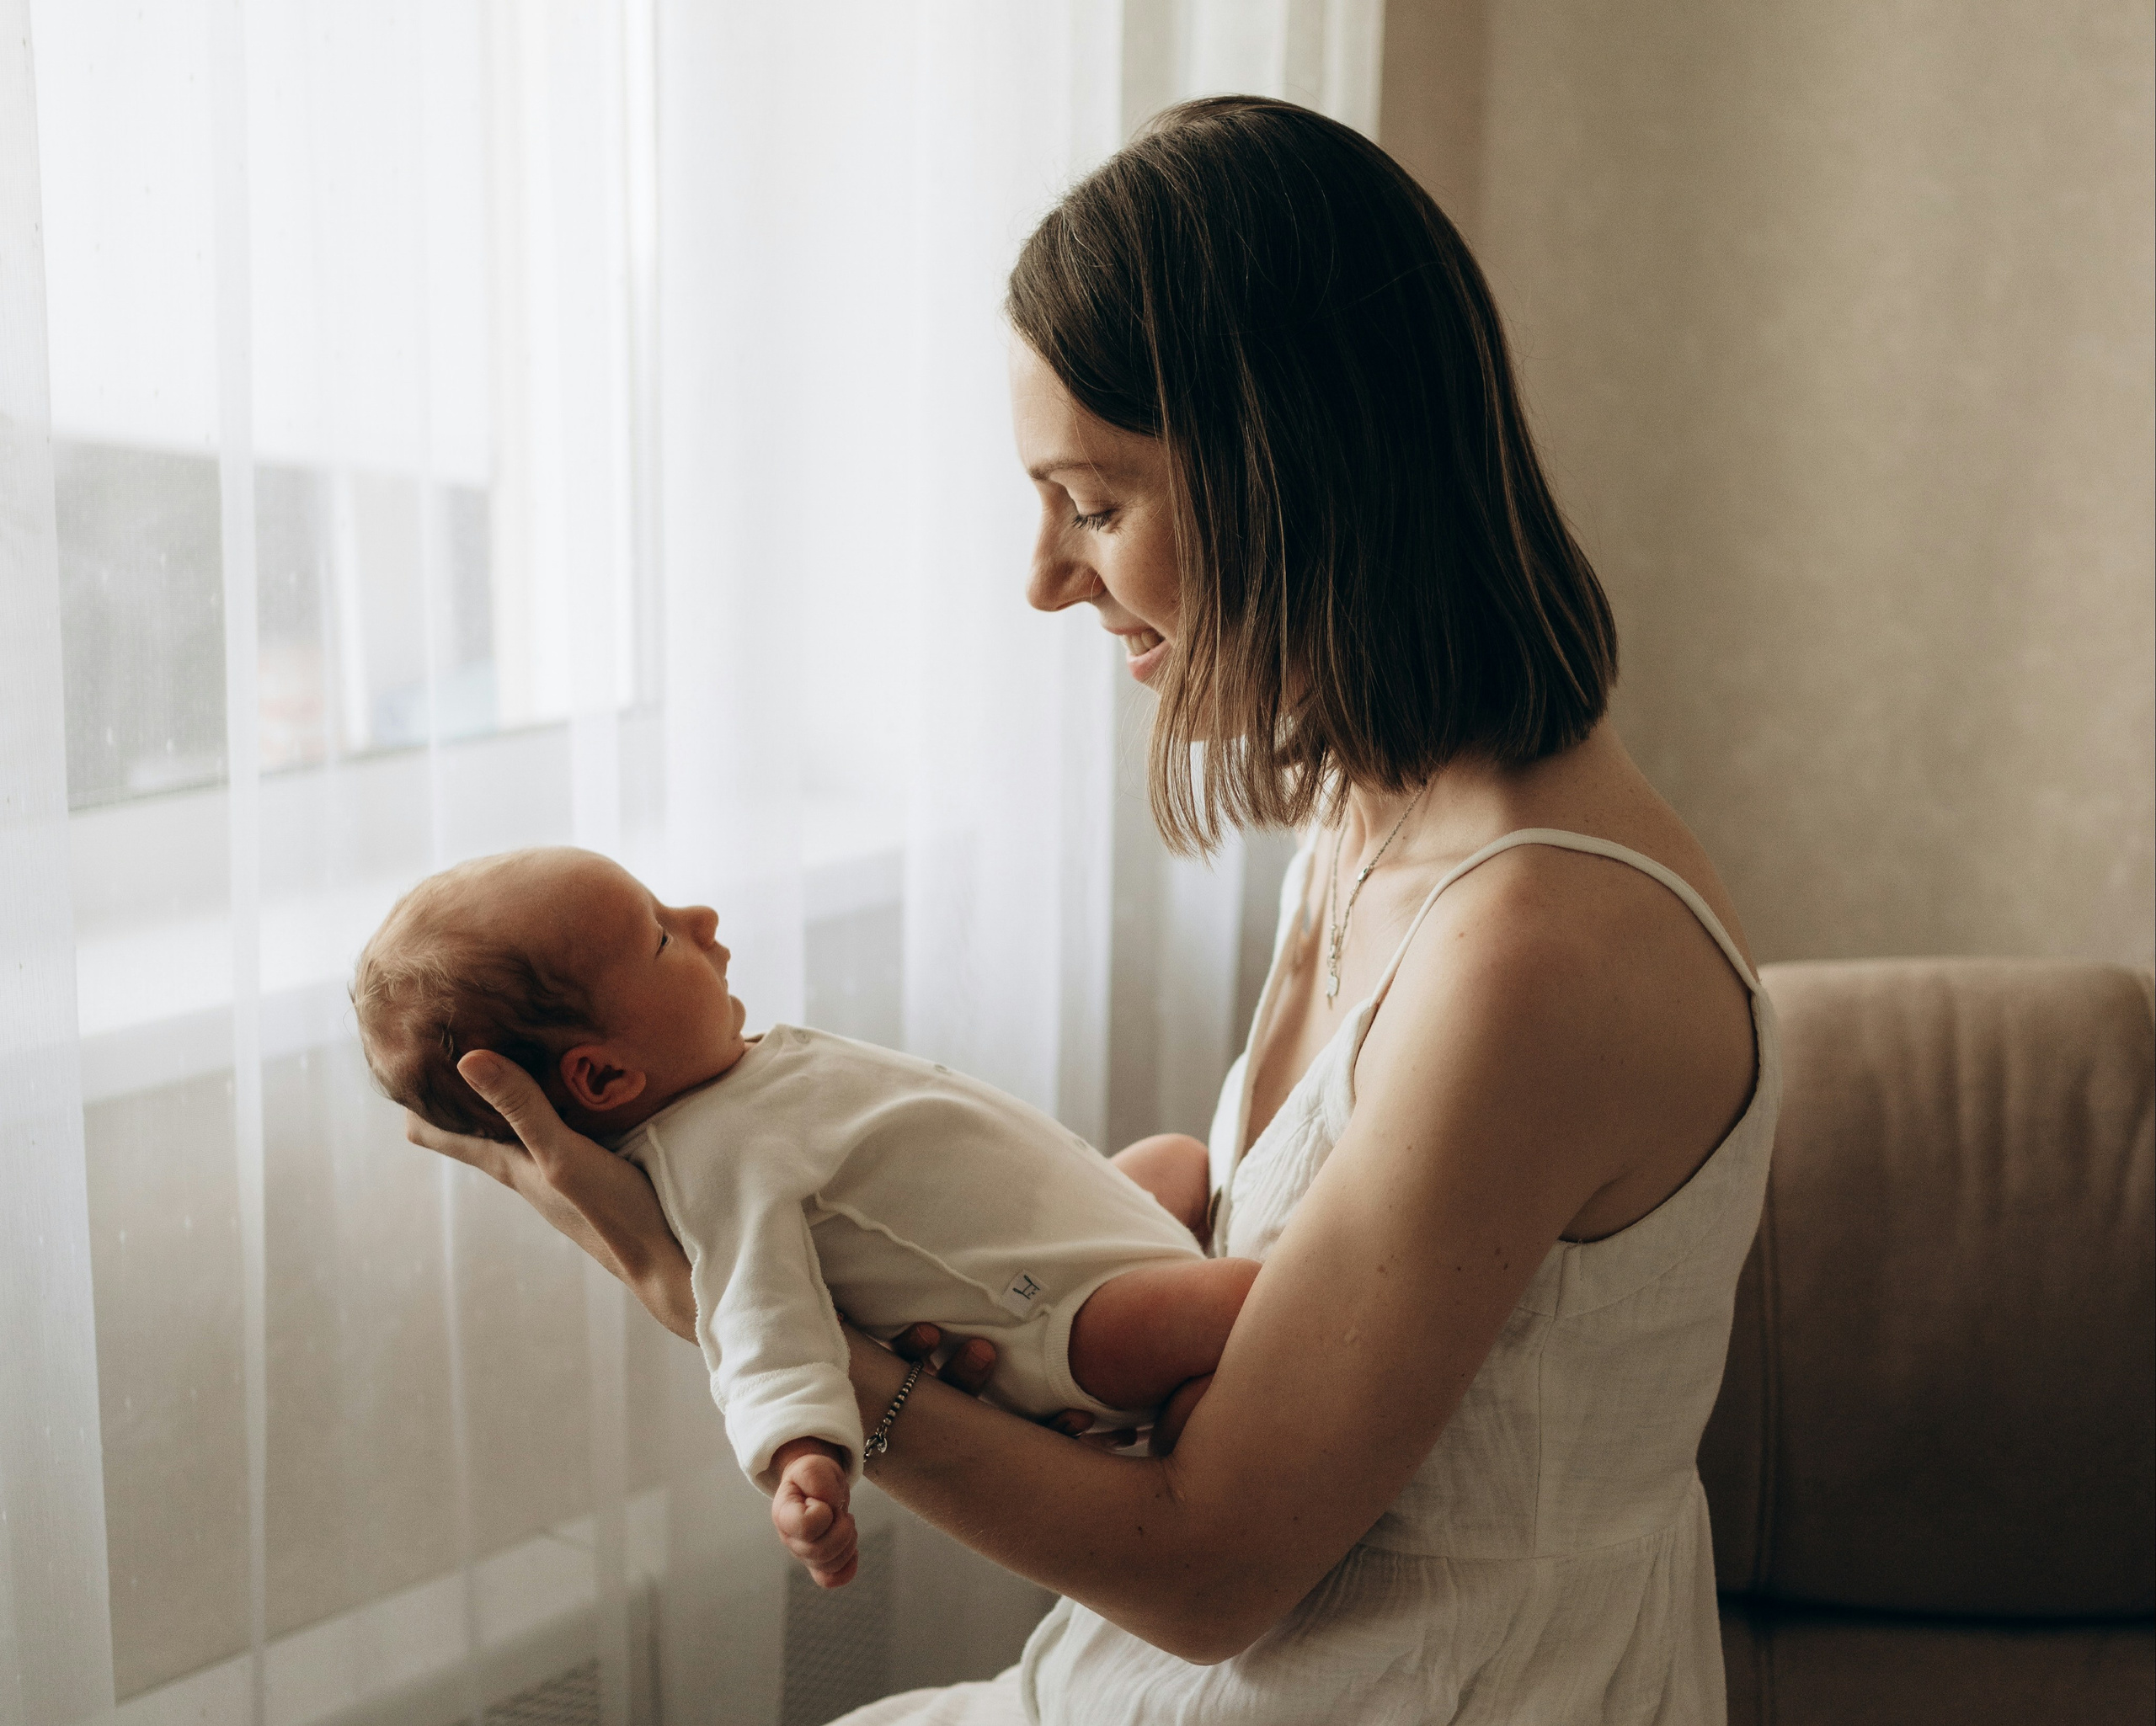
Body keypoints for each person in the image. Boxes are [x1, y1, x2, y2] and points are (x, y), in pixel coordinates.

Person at [409, 96, 1776, 1724]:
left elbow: (1210, 1574)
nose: (1047, 578)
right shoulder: (1371, 809)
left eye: (1098, 503)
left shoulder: (1535, 953)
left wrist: (738, 1319)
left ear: (1304, 477)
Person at [355, 845, 1256, 1591]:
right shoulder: (716, 1155)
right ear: (602, 1077)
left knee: (1176, 1158)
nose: (703, 919)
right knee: (1254, 1302)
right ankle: (1175, 1409)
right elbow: (755, 1316)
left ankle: (1180, 1363)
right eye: (663, 936)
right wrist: (801, 1451)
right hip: (1067, 1315)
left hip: (1080, 1238)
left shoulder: (742, 1081)